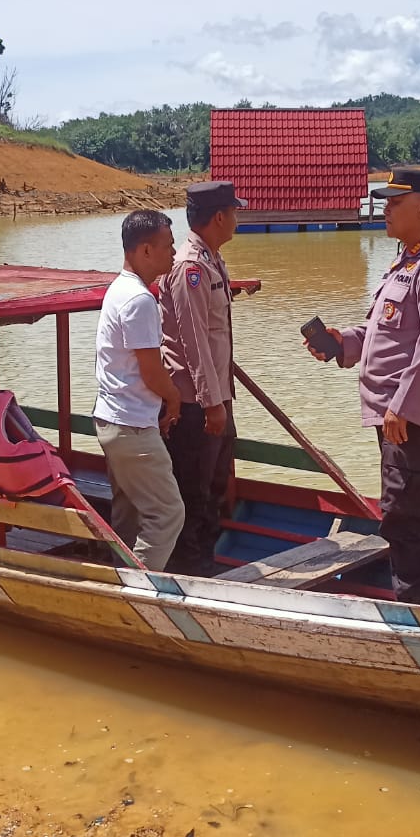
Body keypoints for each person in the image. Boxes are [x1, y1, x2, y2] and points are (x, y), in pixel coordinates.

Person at [305, 167, 420, 606]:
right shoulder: (407, 262)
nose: (385, 209)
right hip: (407, 414)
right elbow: (387, 332)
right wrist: (344, 344)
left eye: (394, 202)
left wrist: (404, 407)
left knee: (403, 517)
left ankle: (417, 613)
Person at [159, 180, 246, 577]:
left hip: (214, 398)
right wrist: (212, 403)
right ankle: (189, 573)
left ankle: (205, 566)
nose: (237, 218)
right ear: (218, 217)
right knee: (193, 493)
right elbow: (193, 342)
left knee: (212, 488)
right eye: (234, 212)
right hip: (196, 404)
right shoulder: (190, 268)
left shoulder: (211, 260)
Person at [94, 209, 185, 570]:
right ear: (146, 251)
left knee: (129, 515)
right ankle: (138, 591)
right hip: (132, 427)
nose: (174, 253)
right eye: (168, 245)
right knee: (167, 513)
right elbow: (151, 371)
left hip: (111, 420)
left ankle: (119, 577)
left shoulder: (119, 289)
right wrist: (174, 397)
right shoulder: (140, 300)